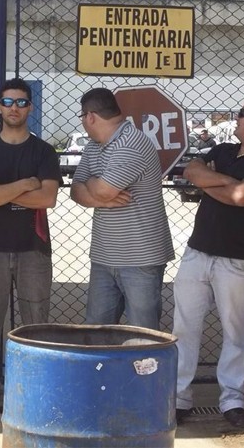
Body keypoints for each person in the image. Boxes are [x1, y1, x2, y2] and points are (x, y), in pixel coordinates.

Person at [172, 97, 244, 428]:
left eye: (242, 114)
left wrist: (212, 183)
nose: (236, 118)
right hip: (197, 252)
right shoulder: (221, 150)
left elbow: (242, 197)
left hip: (236, 260)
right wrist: (221, 182)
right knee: (184, 328)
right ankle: (178, 398)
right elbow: (191, 170)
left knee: (235, 332)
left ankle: (233, 401)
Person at [0, 78, 61, 418]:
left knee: (36, 324)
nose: (15, 108)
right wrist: (23, 185)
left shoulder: (44, 152)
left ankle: (36, 391)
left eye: (21, 102)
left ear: (30, 107)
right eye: (8, 102)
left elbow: (47, 197)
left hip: (33, 249)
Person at [70, 88, 174, 330]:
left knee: (142, 333)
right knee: (97, 329)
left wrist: (96, 189)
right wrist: (101, 198)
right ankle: (103, 370)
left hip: (140, 258)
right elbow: (76, 190)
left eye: (82, 118)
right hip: (104, 257)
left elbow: (104, 189)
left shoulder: (132, 142)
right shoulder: (95, 146)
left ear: (90, 117)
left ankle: (144, 370)